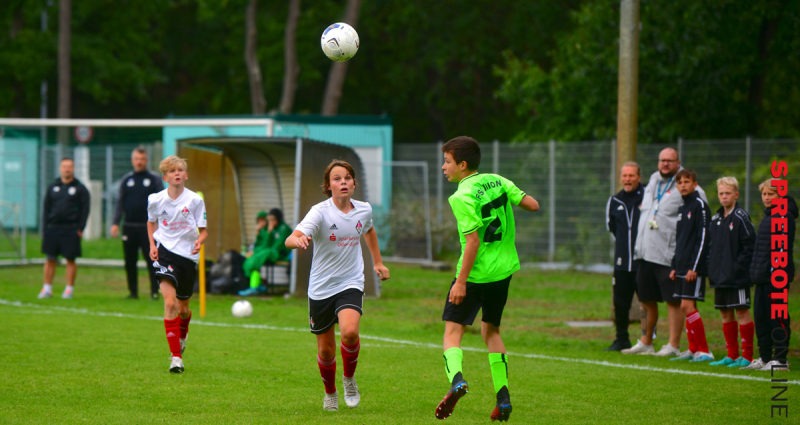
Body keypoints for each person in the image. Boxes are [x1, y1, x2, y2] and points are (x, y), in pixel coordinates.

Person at [435, 136, 539, 422]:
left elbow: (472, 242)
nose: (444, 167)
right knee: (491, 331)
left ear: (463, 165)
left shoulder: (460, 196)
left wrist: (460, 282)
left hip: (476, 274)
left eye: (447, 162)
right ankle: (502, 397)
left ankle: (456, 380)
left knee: (452, 332)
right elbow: (533, 205)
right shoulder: (497, 180)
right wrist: (509, 195)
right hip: (503, 272)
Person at [284, 160, 390, 412]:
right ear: (328, 185)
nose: (343, 182)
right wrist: (297, 241)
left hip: (350, 281)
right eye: (337, 178)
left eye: (347, 178)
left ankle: (349, 380)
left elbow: (369, 230)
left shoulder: (363, 210)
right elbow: (291, 237)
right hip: (321, 287)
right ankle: (330, 392)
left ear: (354, 183)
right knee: (326, 351)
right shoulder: (319, 211)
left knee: (351, 332)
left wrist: (377, 262)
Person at [624, 148, 708, 356]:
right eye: (662, 160)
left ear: (678, 162)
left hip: (668, 254)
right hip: (645, 252)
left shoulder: (685, 184)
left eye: (670, 161)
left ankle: (673, 344)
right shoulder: (652, 181)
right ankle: (646, 341)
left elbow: (700, 217)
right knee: (646, 298)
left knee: (673, 300)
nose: (665, 164)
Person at [146, 156, 207, 373]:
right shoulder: (156, 199)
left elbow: (203, 229)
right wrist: (152, 244)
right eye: (172, 171)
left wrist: (200, 240)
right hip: (165, 254)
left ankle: (183, 333)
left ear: (186, 175)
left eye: (180, 170)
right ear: (165, 177)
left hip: (187, 257)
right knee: (169, 303)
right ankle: (176, 358)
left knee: (183, 308)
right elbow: (150, 222)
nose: (177, 173)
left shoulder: (195, 200)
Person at [744, 180, 795, 371]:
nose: (766, 198)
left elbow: (781, 249)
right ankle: (765, 358)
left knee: (778, 317)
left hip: (776, 279)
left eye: (770, 194)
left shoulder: (785, 217)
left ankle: (780, 359)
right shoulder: (767, 217)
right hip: (762, 279)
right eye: (764, 194)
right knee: (762, 318)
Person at [706, 176, 756, 368]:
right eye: (721, 193)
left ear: (736, 194)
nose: (724, 196)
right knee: (725, 314)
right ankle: (732, 355)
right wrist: (712, 269)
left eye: (728, 193)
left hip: (737, 278)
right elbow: (712, 247)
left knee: (742, 312)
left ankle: (748, 356)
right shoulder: (716, 219)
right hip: (719, 277)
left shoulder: (741, 217)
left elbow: (749, 245)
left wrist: (736, 269)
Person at [667, 169, 713, 362]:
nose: (683, 185)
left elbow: (703, 238)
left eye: (687, 181)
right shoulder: (682, 207)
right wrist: (674, 265)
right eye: (679, 182)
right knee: (687, 307)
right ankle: (693, 349)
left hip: (693, 268)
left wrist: (694, 266)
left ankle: (704, 350)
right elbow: (681, 240)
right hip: (682, 267)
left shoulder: (700, 205)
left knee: (687, 306)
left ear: (695, 184)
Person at [111, 147, 164, 300]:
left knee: (152, 260)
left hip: (148, 228)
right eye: (136, 159)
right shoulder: (126, 179)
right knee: (130, 261)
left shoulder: (154, 178)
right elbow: (120, 202)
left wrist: (160, 224)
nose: (139, 162)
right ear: (132, 160)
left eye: (142, 159)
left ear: (146, 160)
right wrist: (115, 223)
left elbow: (161, 203)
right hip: (129, 226)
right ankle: (133, 292)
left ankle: (155, 292)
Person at [605, 161, 644, 351]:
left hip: (643, 262)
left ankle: (648, 340)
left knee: (646, 302)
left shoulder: (648, 198)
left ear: (639, 177)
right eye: (625, 176)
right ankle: (621, 339)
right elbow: (612, 228)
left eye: (632, 176)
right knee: (620, 303)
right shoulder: (614, 201)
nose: (627, 179)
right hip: (621, 263)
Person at [38, 158, 90, 299]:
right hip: (52, 228)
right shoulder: (53, 186)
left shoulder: (80, 188)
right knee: (50, 259)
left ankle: (68, 289)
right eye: (64, 166)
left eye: (70, 166)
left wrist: (80, 228)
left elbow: (85, 210)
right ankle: (47, 288)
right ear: (60, 168)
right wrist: (44, 228)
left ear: (73, 169)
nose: (67, 169)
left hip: (71, 229)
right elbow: (46, 208)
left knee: (70, 259)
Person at [238, 208, 293, 296]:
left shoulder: (283, 229)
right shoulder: (271, 229)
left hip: (281, 254)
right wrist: (265, 232)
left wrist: (268, 232)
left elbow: (276, 247)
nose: (271, 222)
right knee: (255, 257)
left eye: (273, 219)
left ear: (278, 218)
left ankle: (255, 287)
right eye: (269, 220)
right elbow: (264, 245)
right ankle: (257, 285)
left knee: (259, 257)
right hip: (271, 252)